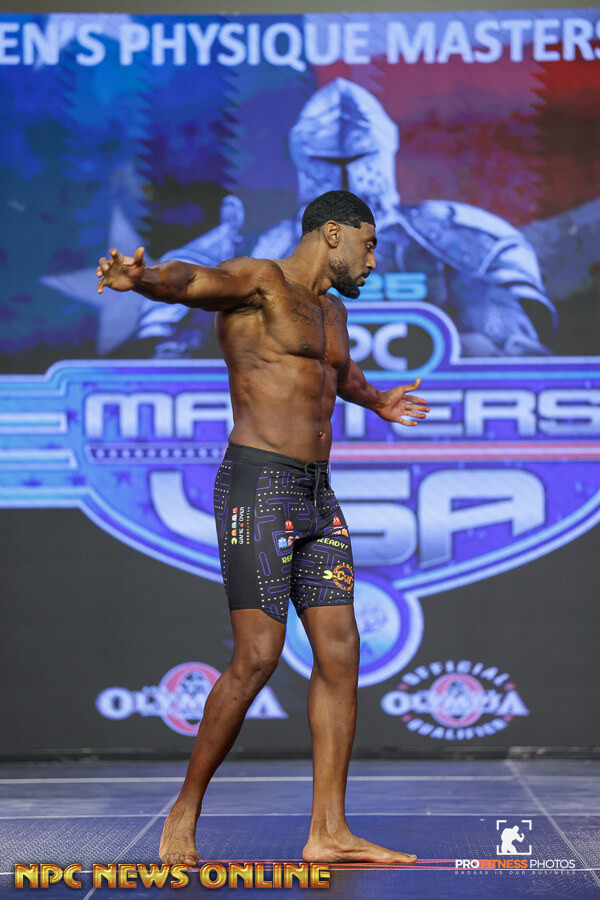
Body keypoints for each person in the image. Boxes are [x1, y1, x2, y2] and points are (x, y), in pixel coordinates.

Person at [97, 190, 429, 866]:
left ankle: (328, 832)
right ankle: (184, 811)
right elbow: (191, 282)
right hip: (260, 487)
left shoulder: (332, 312)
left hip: (316, 494)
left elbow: (339, 372)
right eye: (368, 245)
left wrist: (379, 401)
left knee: (341, 652)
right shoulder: (259, 282)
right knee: (257, 657)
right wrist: (144, 279)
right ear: (332, 233)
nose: (372, 261)